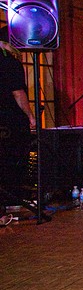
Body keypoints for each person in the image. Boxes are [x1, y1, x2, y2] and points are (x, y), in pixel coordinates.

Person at [0, 42, 36, 206]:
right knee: (13, 159)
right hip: (10, 120)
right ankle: (13, 200)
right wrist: (30, 116)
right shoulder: (11, 62)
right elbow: (18, 93)